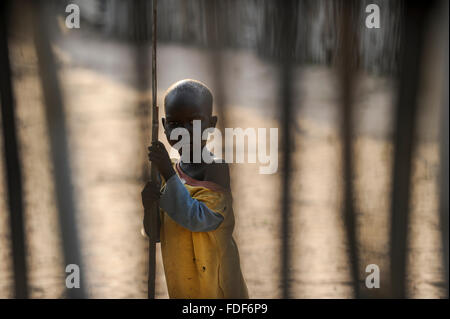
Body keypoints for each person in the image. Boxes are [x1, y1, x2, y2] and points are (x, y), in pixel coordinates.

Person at [141, 79, 249, 299]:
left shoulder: (216, 169)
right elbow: (155, 234)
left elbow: (198, 219)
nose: (185, 131)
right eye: (175, 124)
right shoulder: (166, 172)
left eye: (195, 122)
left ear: (211, 124)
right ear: (164, 126)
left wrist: (168, 175)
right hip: (183, 282)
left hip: (218, 287)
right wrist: (148, 206)